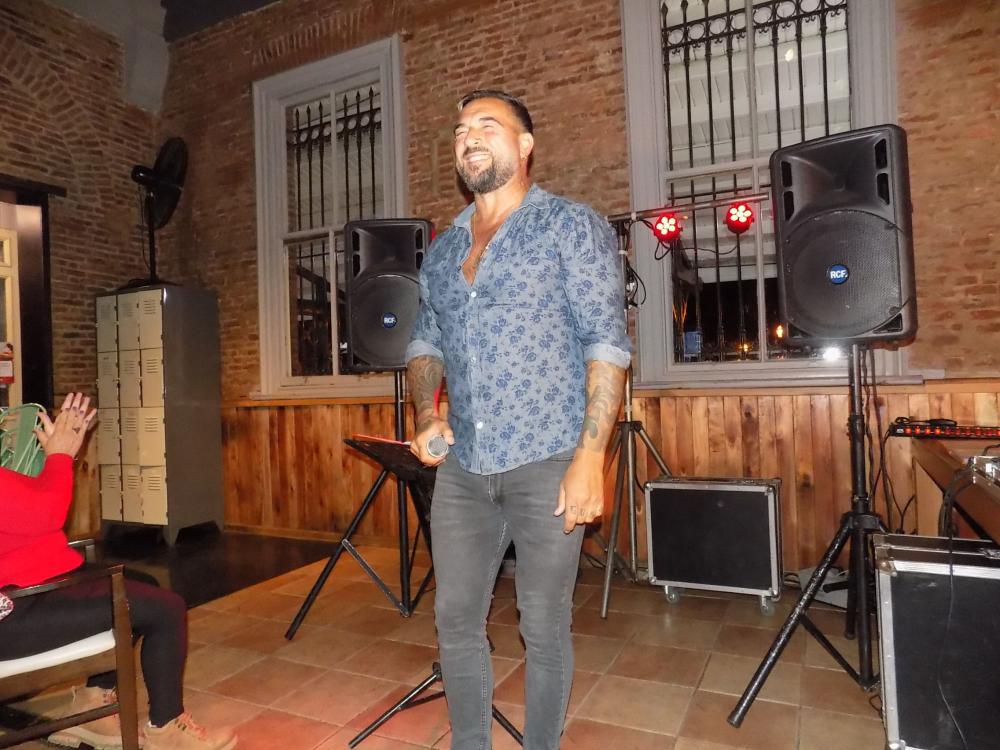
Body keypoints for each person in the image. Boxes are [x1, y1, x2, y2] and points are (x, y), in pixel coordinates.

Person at [406, 90, 630, 750]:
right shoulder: (443, 249)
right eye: (460, 130)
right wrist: (425, 413)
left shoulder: (571, 226)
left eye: (487, 125)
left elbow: (606, 343)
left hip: (549, 457)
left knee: (543, 625)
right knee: (454, 621)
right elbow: (425, 340)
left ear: (526, 145)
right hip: (464, 468)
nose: (468, 137)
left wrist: (590, 458)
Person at [0, 392, 237, 750]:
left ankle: (93, 703)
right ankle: (167, 729)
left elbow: (25, 502)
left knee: (141, 584)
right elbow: (45, 514)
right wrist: (59, 456)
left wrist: (60, 453)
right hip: (13, 612)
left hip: (30, 586)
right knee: (165, 608)